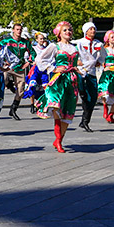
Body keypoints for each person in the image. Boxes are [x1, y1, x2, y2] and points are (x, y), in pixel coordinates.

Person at [34, 22, 81, 153]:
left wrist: (80, 68)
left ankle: (59, 140)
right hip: (59, 80)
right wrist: (53, 68)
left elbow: (85, 61)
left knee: (68, 111)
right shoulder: (55, 46)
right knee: (56, 108)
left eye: (70, 30)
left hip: (72, 81)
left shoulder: (76, 47)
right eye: (65, 30)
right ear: (59, 33)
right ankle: (59, 140)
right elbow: (40, 59)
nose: (68, 32)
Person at [72, 22, 104, 132]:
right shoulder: (79, 43)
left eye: (94, 29)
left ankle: (85, 121)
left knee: (93, 97)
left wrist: (99, 62)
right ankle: (85, 120)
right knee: (84, 95)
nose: (93, 31)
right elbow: (72, 55)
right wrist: (77, 61)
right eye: (90, 29)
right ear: (86, 31)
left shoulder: (98, 44)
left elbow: (103, 56)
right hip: (81, 72)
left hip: (92, 72)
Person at [0, 23, 34, 121]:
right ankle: (9, 84)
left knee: (21, 90)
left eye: (20, 29)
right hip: (9, 66)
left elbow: (32, 52)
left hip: (20, 67)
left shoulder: (25, 42)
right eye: (17, 29)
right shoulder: (6, 41)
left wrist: (28, 63)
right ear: (13, 30)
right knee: (4, 78)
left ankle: (13, 109)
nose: (19, 31)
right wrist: (3, 61)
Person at [23, 32, 51, 113]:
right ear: (37, 40)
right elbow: (26, 56)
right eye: (40, 39)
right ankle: (32, 104)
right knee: (33, 85)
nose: (42, 40)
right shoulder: (34, 48)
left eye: (43, 39)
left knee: (45, 87)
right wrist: (30, 62)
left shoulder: (46, 49)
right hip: (35, 70)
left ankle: (40, 104)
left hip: (43, 70)